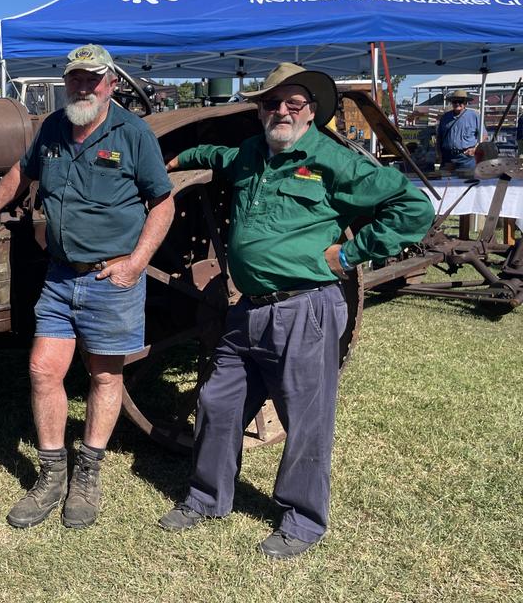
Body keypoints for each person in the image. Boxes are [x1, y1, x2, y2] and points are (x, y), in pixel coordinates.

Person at [158, 62, 434, 559]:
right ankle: (206, 498)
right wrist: (174, 160)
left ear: (310, 111)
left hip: (305, 309)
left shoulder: (332, 158)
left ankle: (303, 521)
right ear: (259, 110)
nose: (280, 111)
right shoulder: (250, 153)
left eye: (293, 103)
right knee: (218, 405)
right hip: (246, 312)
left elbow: (412, 206)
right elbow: (213, 154)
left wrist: (350, 254)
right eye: (270, 103)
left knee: (306, 419)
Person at [0, 44, 174, 529]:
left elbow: (163, 203)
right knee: (43, 370)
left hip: (109, 277)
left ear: (111, 83)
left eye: (93, 78)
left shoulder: (133, 134)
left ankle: (87, 473)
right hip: (60, 275)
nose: (83, 86)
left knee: (105, 376)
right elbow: (19, 173)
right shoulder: (51, 128)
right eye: (75, 78)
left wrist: (135, 264)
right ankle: (52, 475)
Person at [437, 89, 485, 172]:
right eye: (455, 101)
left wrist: (475, 149)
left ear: (465, 103)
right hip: (448, 157)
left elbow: (484, 135)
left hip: (466, 158)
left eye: (460, 101)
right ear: (452, 102)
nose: (457, 104)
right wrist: (439, 154)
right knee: (445, 181)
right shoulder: (445, 117)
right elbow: (439, 138)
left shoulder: (474, 116)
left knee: (466, 181)